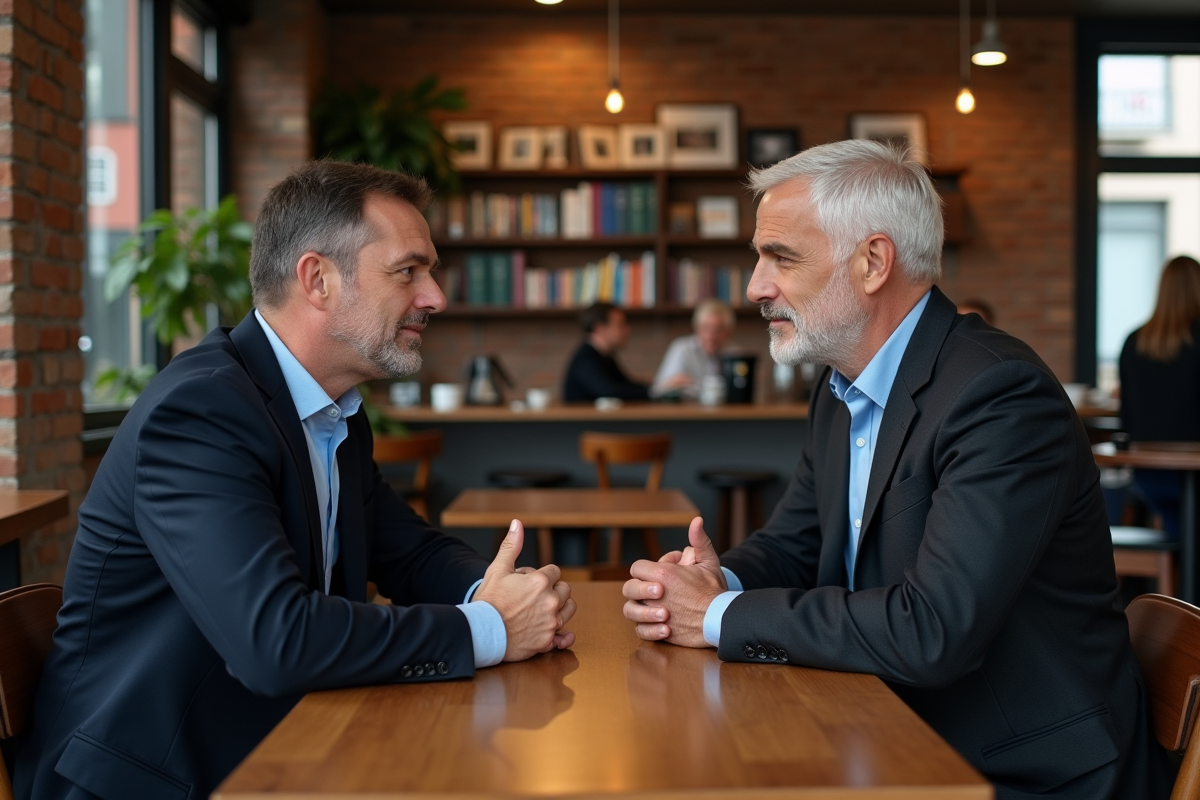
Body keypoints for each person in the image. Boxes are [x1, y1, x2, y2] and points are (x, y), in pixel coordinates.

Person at [621, 140, 1170, 800]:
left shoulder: (999, 396)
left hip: (1019, 770)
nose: (754, 288)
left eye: (781, 258)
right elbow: (795, 543)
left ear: (873, 262)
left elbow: (931, 631)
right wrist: (715, 579)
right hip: (887, 728)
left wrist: (716, 616)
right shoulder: (836, 389)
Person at [14, 161, 577, 800]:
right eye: (407, 271)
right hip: (145, 780)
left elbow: (410, 551)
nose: (435, 296)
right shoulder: (200, 413)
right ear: (318, 280)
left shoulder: (332, 410)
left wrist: (500, 589)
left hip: (278, 745)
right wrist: (491, 628)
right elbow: (273, 641)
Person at [1118, 255, 1200, 538]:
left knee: (1176, 525)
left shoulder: (1133, 341)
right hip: (1193, 473)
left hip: (1149, 476)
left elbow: (1126, 418)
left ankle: (1176, 574)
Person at [562, 301, 650, 402]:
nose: (627, 330)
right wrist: (652, 392)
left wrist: (654, 389)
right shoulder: (586, 359)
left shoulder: (605, 357)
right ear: (600, 329)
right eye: (620, 325)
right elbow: (610, 392)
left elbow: (626, 384)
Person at [650, 298, 736, 398]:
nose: (711, 336)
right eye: (706, 328)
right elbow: (656, 391)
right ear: (697, 328)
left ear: (728, 332)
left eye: (718, 330)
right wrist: (671, 384)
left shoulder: (735, 354)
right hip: (687, 411)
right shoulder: (682, 349)